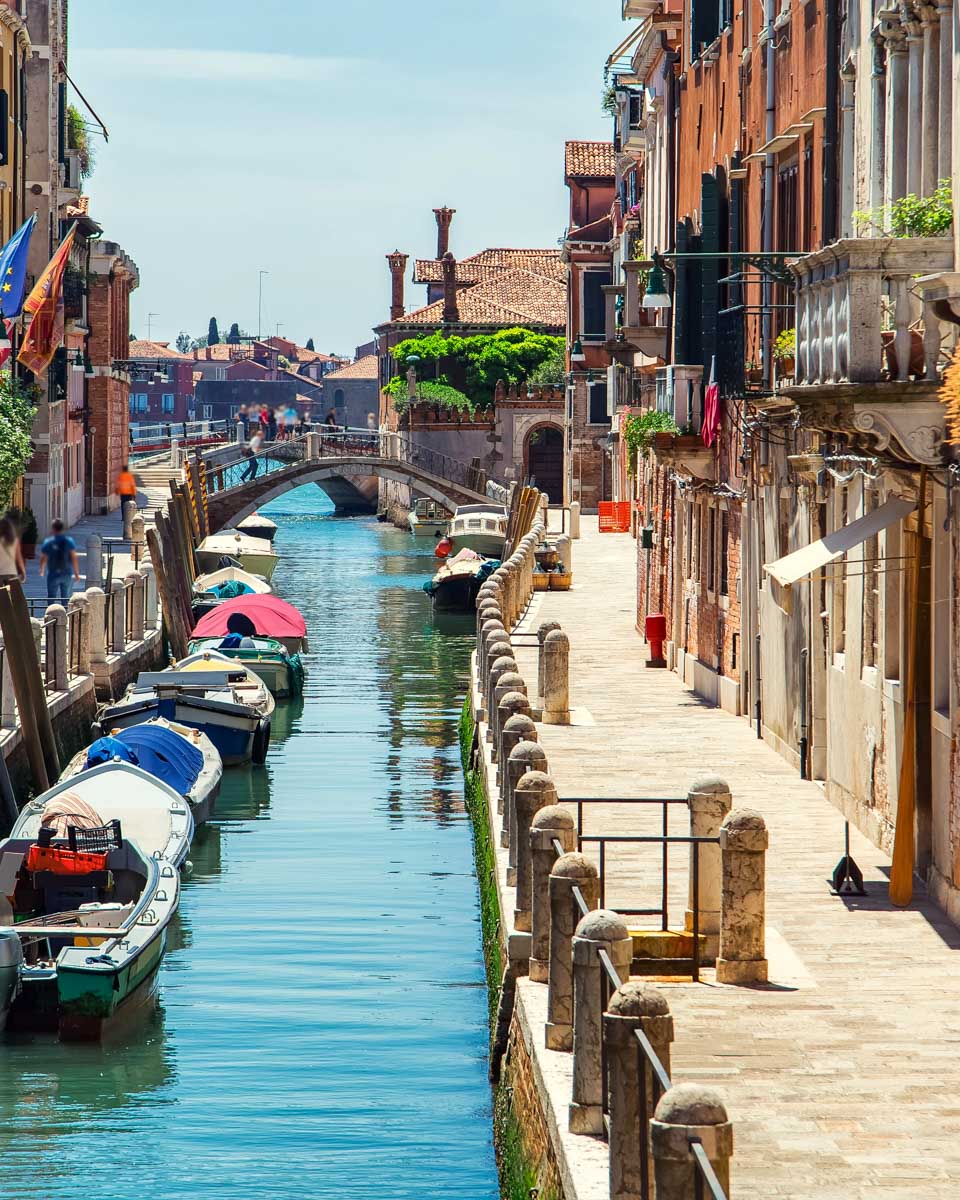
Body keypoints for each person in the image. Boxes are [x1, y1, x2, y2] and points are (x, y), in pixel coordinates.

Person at [39, 519, 80, 601]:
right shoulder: (69, 541)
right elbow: (74, 557)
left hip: (53, 573)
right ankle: (64, 613)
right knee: (65, 598)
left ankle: (51, 613)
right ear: (62, 529)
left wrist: (42, 569)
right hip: (66, 573)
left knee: (51, 597)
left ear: (53, 528)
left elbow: (44, 557)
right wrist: (76, 573)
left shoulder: (48, 541)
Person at [0, 516, 25, 585]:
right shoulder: (14, 541)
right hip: (12, 574)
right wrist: (23, 572)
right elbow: (19, 559)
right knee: (12, 595)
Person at [114, 463, 138, 531]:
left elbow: (118, 485)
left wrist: (117, 491)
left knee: (123, 505)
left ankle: (123, 517)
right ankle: (129, 517)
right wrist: (134, 494)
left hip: (123, 493)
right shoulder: (130, 476)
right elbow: (132, 485)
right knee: (129, 505)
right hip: (129, 493)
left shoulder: (120, 476)